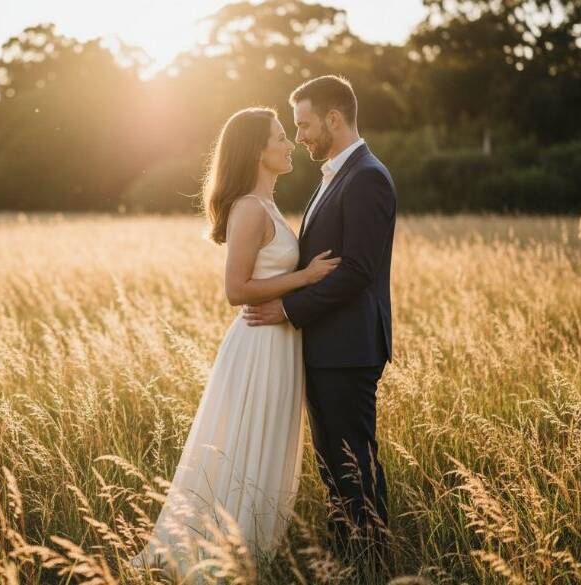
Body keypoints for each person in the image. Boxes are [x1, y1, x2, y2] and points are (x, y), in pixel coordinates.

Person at [128, 106, 340, 580]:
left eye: (288, 136)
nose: (289, 145)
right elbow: (236, 290)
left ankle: (251, 551)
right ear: (256, 150)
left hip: (280, 343)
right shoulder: (248, 208)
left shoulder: (266, 207)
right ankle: (226, 552)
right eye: (280, 137)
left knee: (267, 442)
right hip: (258, 344)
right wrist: (305, 277)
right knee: (246, 441)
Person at [243, 75, 397, 560]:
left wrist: (287, 309)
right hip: (328, 346)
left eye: (305, 125)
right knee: (336, 464)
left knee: (353, 464)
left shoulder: (367, 175)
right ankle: (348, 555)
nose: (301, 135)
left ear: (334, 119)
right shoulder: (336, 174)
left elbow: (357, 270)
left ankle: (371, 560)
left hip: (349, 348)